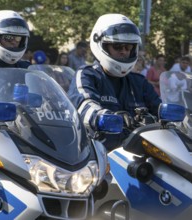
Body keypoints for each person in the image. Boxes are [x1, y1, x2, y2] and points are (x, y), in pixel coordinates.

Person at [67, 13, 161, 151]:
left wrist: (180, 117)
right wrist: (105, 117)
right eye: (117, 47)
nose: (124, 52)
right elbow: (83, 105)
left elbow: (160, 108)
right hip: (100, 153)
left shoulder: (139, 82)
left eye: (128, 48)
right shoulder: (88, 75)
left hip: (138, 153)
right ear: (101, 45)